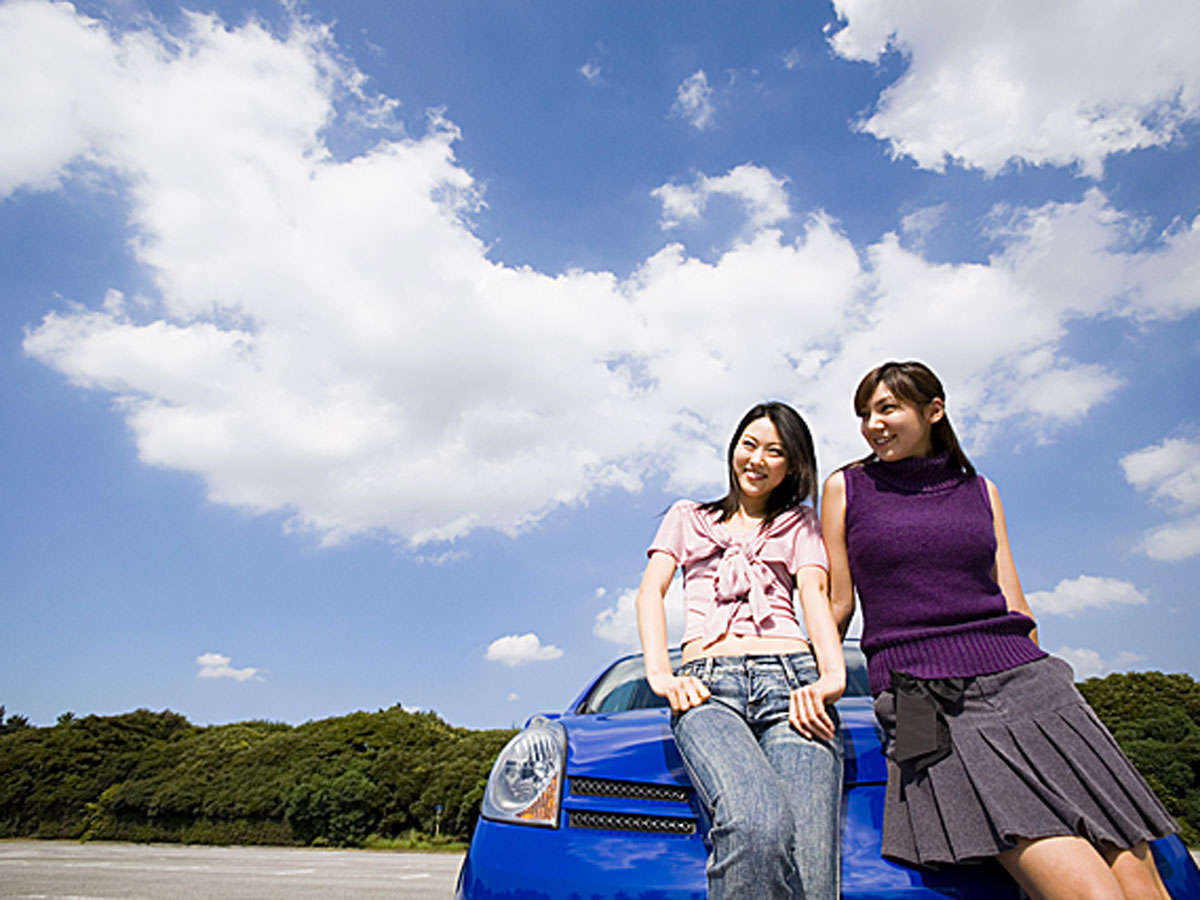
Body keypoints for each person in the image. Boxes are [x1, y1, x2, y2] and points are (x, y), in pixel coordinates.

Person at [821, 360, 1177, 900]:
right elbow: (838, 601)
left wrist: (1048, 678)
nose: (873, 424)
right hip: (919, 698)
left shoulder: (982, 491)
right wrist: (814, 674)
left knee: (1141, 881)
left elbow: (1011, 594)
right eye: (864, 414)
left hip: (1028, 681)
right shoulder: (846, 488)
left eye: (886, 408)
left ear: (933, 410)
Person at [635, 402, 845, 899]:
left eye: (775, 451)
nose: (757, 458)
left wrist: (830, 676)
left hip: (792, 683)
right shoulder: (689, 516)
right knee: (756, 825)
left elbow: (814, 594)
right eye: (749, 444)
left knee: (811, 868)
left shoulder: (800, 523)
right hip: (708, 687)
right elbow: (651, 592)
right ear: (733, 449)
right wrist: (661, 675)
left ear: (791, 466)